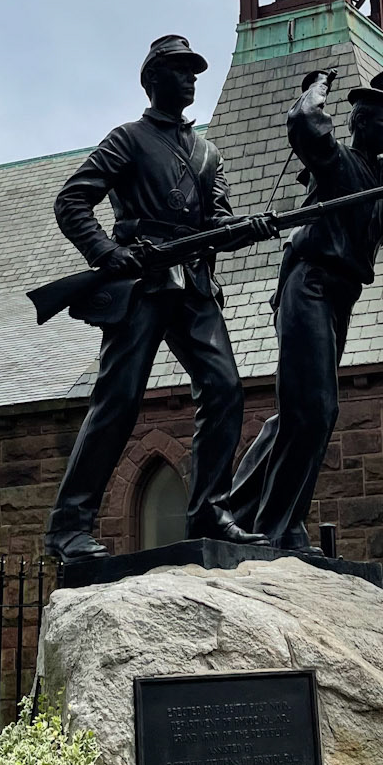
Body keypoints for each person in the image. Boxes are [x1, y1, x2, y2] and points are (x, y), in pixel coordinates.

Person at [224, 57, 383, 550]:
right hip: (309, 286)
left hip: (340, 296)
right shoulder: (336, 162)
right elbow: (304, 123)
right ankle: (277, 528)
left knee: (298, 412)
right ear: (361, 123)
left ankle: (239, 511)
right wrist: (318, 82)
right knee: (316, 409)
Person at [44, 34, 274, 561]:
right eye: (178, 69)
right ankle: (68, 527)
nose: (190, 77)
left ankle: (210, 512)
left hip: (193, 283)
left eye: (193, 69)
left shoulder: (207, 152)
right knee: (118, 401)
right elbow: (72, 201)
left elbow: (216, 222)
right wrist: (106, 252)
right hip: (143, 280)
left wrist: (249, 227)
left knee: (225, 390)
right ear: (152, 80)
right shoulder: (127, 139)